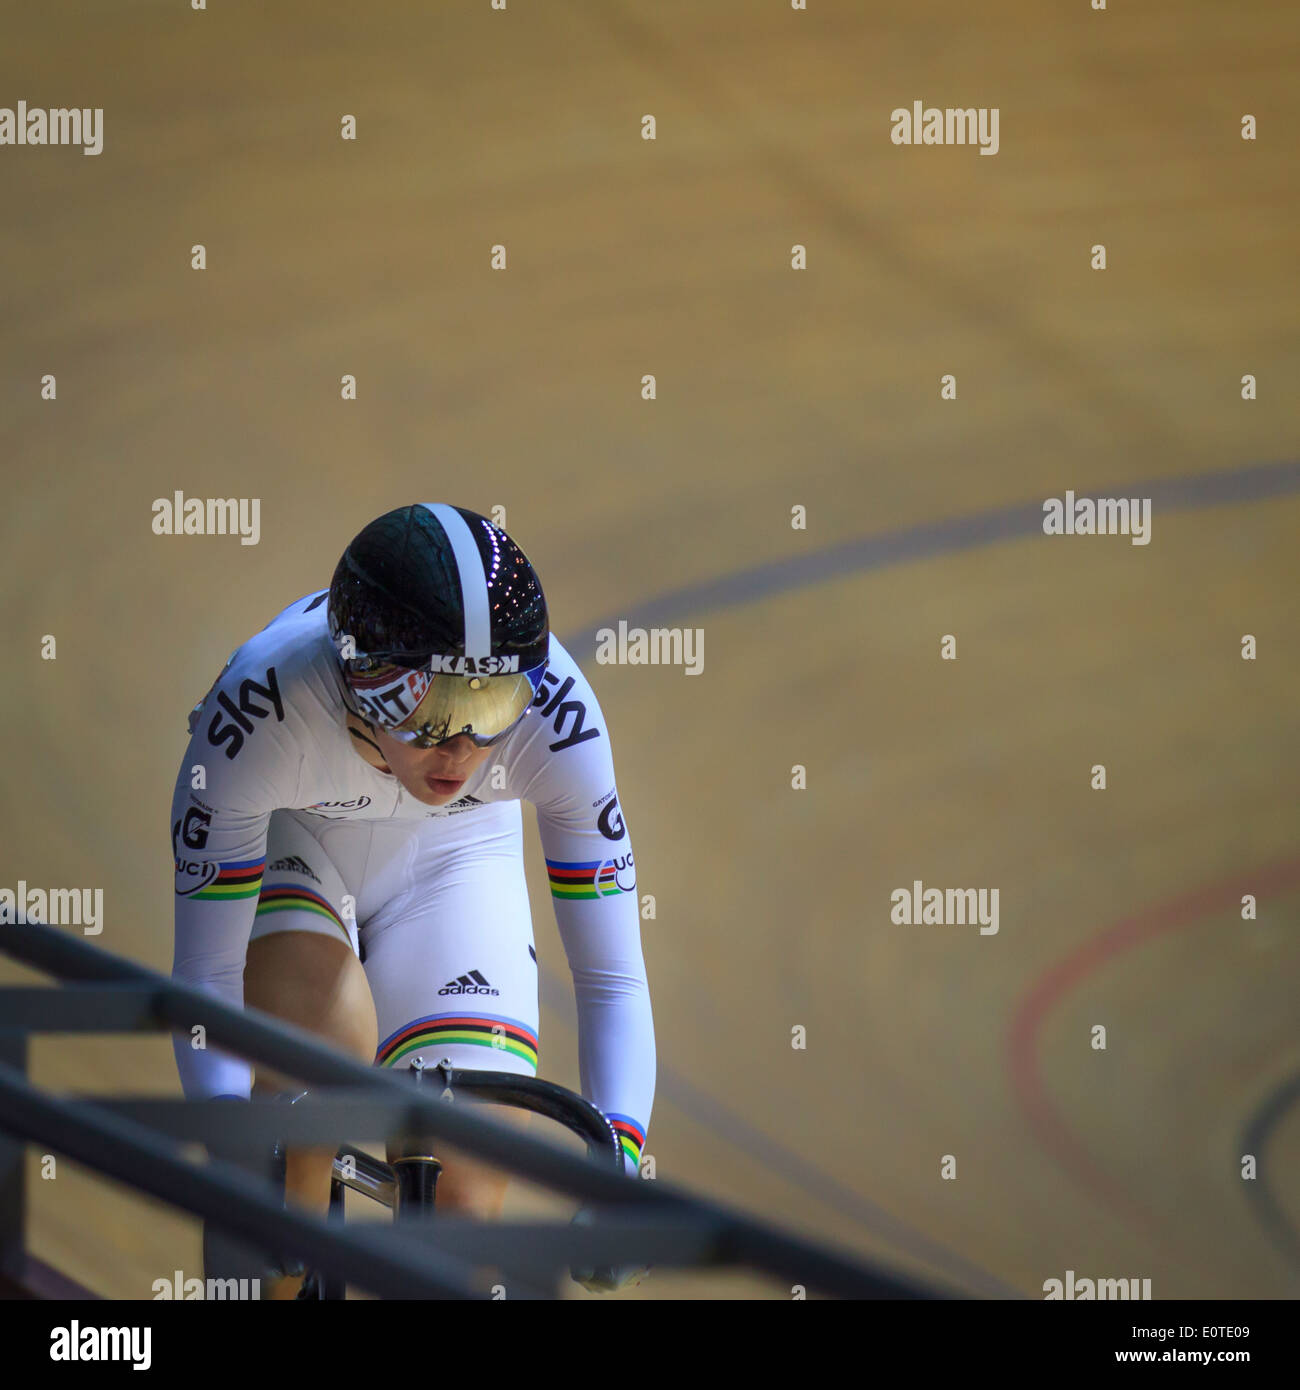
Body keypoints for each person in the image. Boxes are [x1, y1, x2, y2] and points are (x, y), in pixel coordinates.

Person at [170, 503, 655, 1296]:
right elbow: (205, 974)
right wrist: (230, 1137)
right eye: (431, 713)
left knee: (465, 1190)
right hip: (302, 843)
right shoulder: (261, 708)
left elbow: (612, 980)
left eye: (491, 708)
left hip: (455, 860)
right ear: (362, 683)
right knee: (323, 1046)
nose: (461, 750)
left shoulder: (560, 720)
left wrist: (621, 1166)